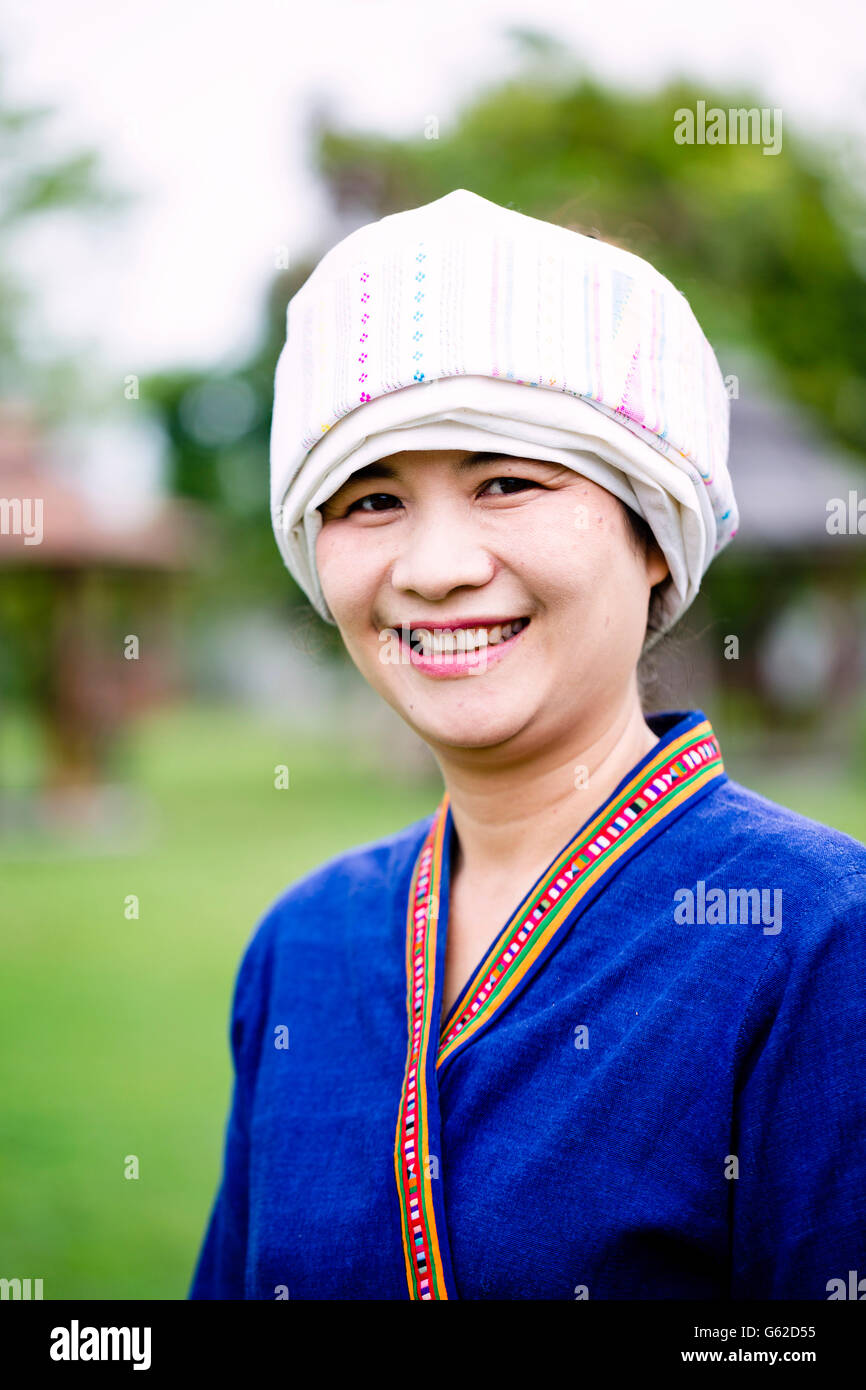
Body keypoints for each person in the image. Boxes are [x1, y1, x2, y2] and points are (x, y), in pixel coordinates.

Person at [189, 189, 866, 1301]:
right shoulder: (303, 942)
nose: (435, 565)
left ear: (654, 534)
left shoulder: (817, 939)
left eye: (507, 481)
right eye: (369, 500)